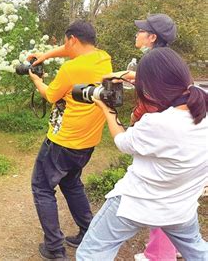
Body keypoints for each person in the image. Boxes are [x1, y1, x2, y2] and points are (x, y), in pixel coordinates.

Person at [76, 48, 208, 260]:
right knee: (197, 250)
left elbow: (122, 141)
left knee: (92, 252)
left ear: (149, 88)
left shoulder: (157, 123)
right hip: (181, 206)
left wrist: (106, 109)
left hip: (136, 203)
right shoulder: (202, 103)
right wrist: (133, 77)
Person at [28, 20, 112, 260]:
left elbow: (50, 95)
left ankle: (54, 248)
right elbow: (68, 51)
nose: (64, 47)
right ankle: (88, 231)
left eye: (66, 42)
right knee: (71, 183)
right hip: (87, 142)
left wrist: (35, 79)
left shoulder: (70, 70)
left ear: (72, 39)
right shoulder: (103, 58)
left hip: (62, 142)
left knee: (42, 188)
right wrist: (43, 56)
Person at [105, 14, 180, 260]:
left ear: (152, 37)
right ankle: (166, 247)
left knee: (157, 192)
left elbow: (154, 97)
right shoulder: (165, 59)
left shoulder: (152, 59)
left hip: (156, 135)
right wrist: (128, 76)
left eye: (141, 31)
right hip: (170, 135)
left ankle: (159, 254)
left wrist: (137, 122)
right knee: (169, 193)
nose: (137, 34)